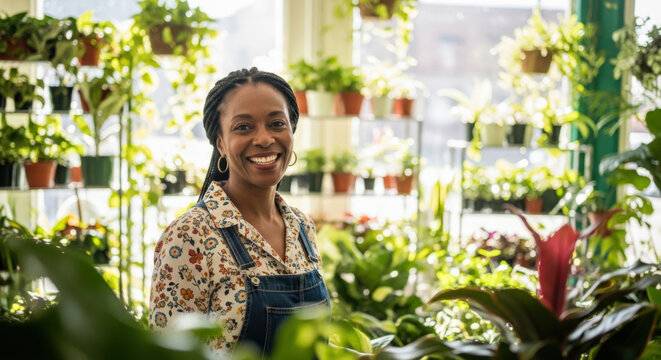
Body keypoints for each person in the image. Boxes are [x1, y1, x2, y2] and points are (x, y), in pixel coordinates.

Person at [149, 68, 330, 356]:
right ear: (220, 143)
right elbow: (168, 353)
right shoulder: (188, 236)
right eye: (244, 127)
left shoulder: (302, 227)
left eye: (277, 123)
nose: (264, 138)